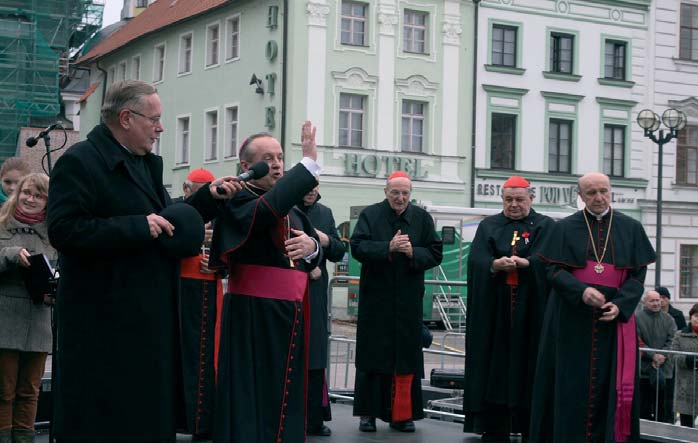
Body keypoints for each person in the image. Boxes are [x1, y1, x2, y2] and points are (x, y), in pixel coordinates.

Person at [46, 80, 241, 443]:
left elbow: (165, 223)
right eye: (154, 119)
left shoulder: (142, 164)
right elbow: (64, 230)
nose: (161, 127)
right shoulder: (80, 161)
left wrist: (209, 201)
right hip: (104, 329)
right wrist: (137, 226)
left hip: (146, 323)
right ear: (125, 118)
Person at [211, 121, 322, 443]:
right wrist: (308, 165)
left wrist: (312, 247)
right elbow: (264, 214)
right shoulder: (239, 200)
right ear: (247, 166)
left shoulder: (289, 204)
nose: (277, 164)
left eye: (281, 157)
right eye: (268, 158)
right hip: (254, 315)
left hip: (290, 312)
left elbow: (312, 245)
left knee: (286, 393)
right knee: (256, 393)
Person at [530, 172, 655, 443]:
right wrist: (581, 291)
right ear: (580, 196)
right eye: (591, 193)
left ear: (611, 192)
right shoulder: (563, 228)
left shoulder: (631, 227)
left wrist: (621, 305)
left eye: (603, 191)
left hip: (613, 320)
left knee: (609, 386)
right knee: (570, 384)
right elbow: (553, 270)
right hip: (571, 318)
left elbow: (637, 275)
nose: (598, 197)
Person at [463, 176, 555, 442]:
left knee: (532, 367)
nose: (514, 205)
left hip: (531, 312)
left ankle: (531, 427)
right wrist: (493, 265)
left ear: (531, 199)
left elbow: (551, 259)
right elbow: (477, 260)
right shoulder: (489, 225)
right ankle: (494, 427)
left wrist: (529, 264)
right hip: (496, 313)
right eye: (508, 200)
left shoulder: (545, 226)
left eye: (520, 200)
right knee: (494, 367)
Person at [350, 171, 443, 433]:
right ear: (386, 192)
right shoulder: (370, 215)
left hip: (408, 301)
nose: (400, 198)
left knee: (406, 356)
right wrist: (387, 247)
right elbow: (357, 247)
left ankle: (403, 414)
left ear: (410, 194)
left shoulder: (422, 218)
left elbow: (436, 252)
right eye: (395, 193)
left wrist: (413, 251)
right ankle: (367, 414)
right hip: (376, 300)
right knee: (372, 356)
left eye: (405, 193)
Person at [0, 173, 55, 443]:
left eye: (39, 195)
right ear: (18, 193)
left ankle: (24, 439)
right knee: (4, 391)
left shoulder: (53, 232)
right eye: (26, 193)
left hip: (40, 318)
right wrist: (10, 255)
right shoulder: (2, 224)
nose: (30, 199)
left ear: (48, 201)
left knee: (30, 391)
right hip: (5, 318)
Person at [297, 183, 346, 437]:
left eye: (314, 187)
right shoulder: (285, 209)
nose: (311, 191)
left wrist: (326, 240)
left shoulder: (325, 213)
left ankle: (314, 419)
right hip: (290, 290)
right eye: (306, 187)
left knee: (316, 355)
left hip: (315, 295)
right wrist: (308, 267)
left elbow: (340, 251)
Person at [178, 168, 223, 441]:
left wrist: (218, 263)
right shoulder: (177, 209)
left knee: (206, 358)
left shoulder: (221, 213)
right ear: (187, 188)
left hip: (208, 286)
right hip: (182, 286)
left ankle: (203, 423)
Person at [635, 290, 676, 423]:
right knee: (644, 410)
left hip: (665, 371)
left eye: (658, 300)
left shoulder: (669, 319)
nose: (656, 303)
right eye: (652, 301)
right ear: (644, 302)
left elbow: (673, 340)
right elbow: (636, 340)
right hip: (645, 371)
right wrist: (653, 356)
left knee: (663, 411)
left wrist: (662, 355)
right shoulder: (636, 318)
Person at [671, 303, 698, 428]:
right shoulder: (680, 335)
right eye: (696, 316)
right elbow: (673, 355)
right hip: (686, 386)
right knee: (686, 426)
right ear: (691, 317)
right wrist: (689, 360)